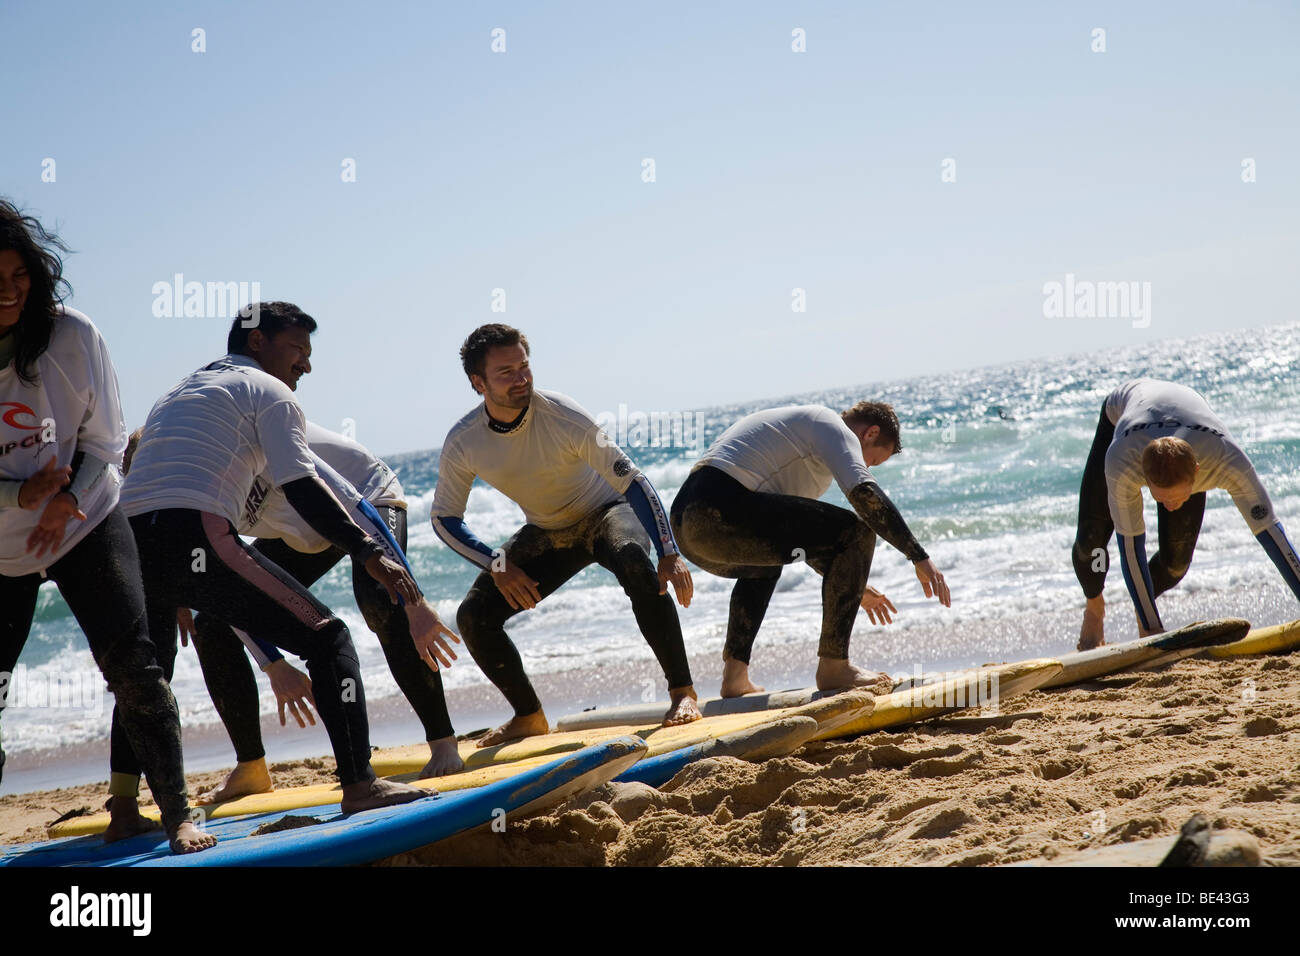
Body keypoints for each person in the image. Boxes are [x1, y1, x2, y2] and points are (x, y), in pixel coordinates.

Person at [109, 302, 430, 833]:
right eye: (297, 350)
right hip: (198, 531)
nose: (305, 365)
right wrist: (368, 551)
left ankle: (123, 810)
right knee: (328, 640)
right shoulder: (269, 393)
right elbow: (305, 487)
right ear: (258, 343)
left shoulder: (179, 393)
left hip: (127, 543)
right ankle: (360, 785)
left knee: (145, 675)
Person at [0, 200, 212, 853]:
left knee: (136, 668)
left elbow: (108, 438)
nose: (9, 292)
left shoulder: (72, 335)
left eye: (19, 275)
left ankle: (176, 813)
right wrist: (18, 495)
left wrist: (68, 500)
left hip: (86, 521)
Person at [121, 423, 463, 805]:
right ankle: (251, 768)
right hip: (296, 532)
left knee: (381, 602)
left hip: (361, 499)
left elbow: (350, 506)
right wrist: (273, 663)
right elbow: (229, 584)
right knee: (211, 628)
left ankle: (443, 742)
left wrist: (414, 602)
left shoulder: (234, 449)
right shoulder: (187, 500)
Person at [432, 323, 700, 746]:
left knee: (633, 559)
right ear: (477, 382)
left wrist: (668, 552)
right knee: (474, 616)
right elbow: (445, 518)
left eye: (524, 366)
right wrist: (498, 564)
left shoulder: (562, 413)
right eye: (506, 372)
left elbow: (632, 481)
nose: (521, 378)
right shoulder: (465, 441)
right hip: (548, 531)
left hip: (606, 512)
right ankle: (529, 716)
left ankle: (683, 692)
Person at [671, 402, 951, 697]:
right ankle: (834, 667)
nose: (865, 465)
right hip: (717, 507)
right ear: (870, 433)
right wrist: (919, 557)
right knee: (856, 531)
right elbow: (864, 494)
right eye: (873, 460)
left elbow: (793, 543)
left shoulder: (803, 446)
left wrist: (853, 584)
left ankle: (735, 677)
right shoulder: (830, 424)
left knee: (765, 564)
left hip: (687, 525)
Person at [1072, 378, 1300, 649]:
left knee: (1175, 565)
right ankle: (1095, 605)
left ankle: (1143, 603)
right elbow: (1132, 548)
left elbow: (1270, 532)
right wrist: (1152, 631)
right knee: (1092, 539)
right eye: (1161, 498)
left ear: (1198, 472)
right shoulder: (1122, 460)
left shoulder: (1228, 461)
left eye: (1176, 497)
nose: (1169, 505)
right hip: (1121, 415)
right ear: (1143, 477)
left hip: (1194, 427)